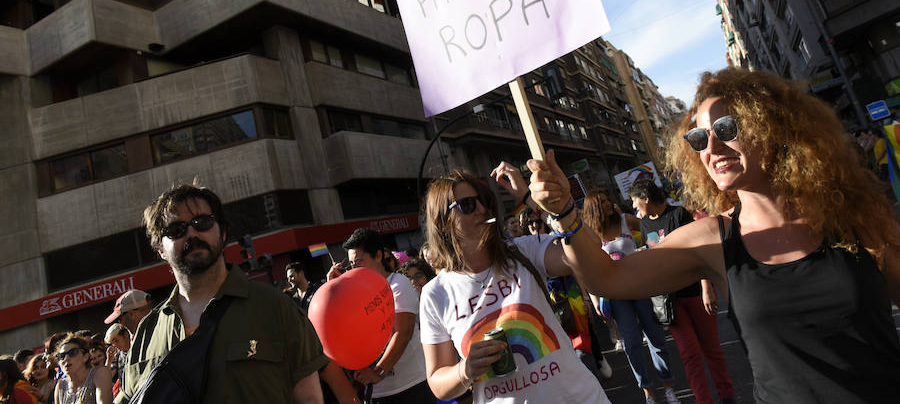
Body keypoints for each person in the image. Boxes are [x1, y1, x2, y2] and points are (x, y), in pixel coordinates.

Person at [528, 67, 900, 404]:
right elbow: (606, 279)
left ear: (772, 126)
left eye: (726, 128)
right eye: (699, 137)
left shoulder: (852, 213)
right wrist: (564, 213)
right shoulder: (711, 239)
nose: (712, 147)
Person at [117, 183, 329, 404]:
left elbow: (310, 399)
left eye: (202, 222)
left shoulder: (275, 307)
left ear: (223, 232)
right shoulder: (146, 333)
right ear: (160, 249)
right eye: (176, 229)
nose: (191, 233)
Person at [418, 169, 611, 404]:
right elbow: (437, 382)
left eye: (484, 201)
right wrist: (464, 370)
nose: (482, 209)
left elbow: (591, 248)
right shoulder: (435, 294)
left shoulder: (525, 250)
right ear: (442, 220)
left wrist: (534, 200)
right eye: (467, 205)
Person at [629, 178, 735, 404]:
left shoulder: (679, 215)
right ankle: (703, 400)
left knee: (712, 350)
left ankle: (727, 396)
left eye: (635, 201)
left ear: (646, 198)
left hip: (695, 293)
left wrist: (707, 288)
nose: (634, 206)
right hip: (670, 301)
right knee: (689, 355)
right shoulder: (644, 224)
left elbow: (699, 252)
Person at [582, 188, 679, 404]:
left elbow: (651, 230)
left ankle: (669, 387)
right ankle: (648, 392)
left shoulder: (625, 220)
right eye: (603, 202)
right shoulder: (590, 235)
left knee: (655, 338)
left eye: (608, 200)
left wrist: (653, 253)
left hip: (640, 287)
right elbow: (588, 269)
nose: (609, 204)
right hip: (616, 295)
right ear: (594, 209)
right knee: (632, 343)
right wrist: (595, 299)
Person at [326, 228, 430, 404]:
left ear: (378, 255)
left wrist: (379, 371)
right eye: (351, 264)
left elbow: (403, 333)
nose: (354, 268)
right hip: (378, 393)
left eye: (359, 261)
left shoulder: (398, 284)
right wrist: (333, 290)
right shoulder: (354, 294)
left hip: (411, 386)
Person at [53, 335, 113, 404]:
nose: (66, 359)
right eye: (62, 356)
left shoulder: (99, 373)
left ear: (85, 357)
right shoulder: (61, 386)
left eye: (72, 353)